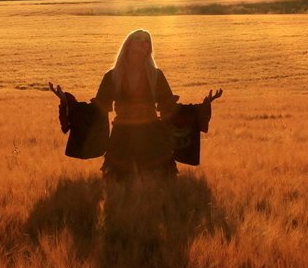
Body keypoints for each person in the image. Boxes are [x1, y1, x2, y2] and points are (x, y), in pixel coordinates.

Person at [50, 29, 222, 179]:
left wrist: (202, 106)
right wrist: (66, 101)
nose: (143, 42)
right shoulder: (112, 76)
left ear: (149, 49)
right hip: (122, 135)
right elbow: (98, 109)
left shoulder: (156, 75)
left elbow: (169, 108)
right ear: (128, 45)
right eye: (138, 39)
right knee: (119, 182)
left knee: (158, 181)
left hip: (152, 133)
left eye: (146, 41)